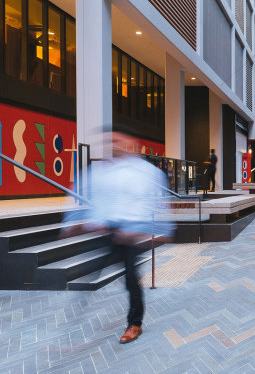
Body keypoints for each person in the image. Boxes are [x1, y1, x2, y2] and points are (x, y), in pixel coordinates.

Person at [61, 132, 174, 344]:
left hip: (129, 233)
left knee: (131, 279)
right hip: (106, 231)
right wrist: (74, 223)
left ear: (131, 144)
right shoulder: (101, 171)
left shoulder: (144, 172)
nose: (113, 145)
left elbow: (157, 201)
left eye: (118, 141)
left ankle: (135, 324)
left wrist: (161, 231)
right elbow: (83, 191)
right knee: (89, 273)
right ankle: (75, 318)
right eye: (110, 141)